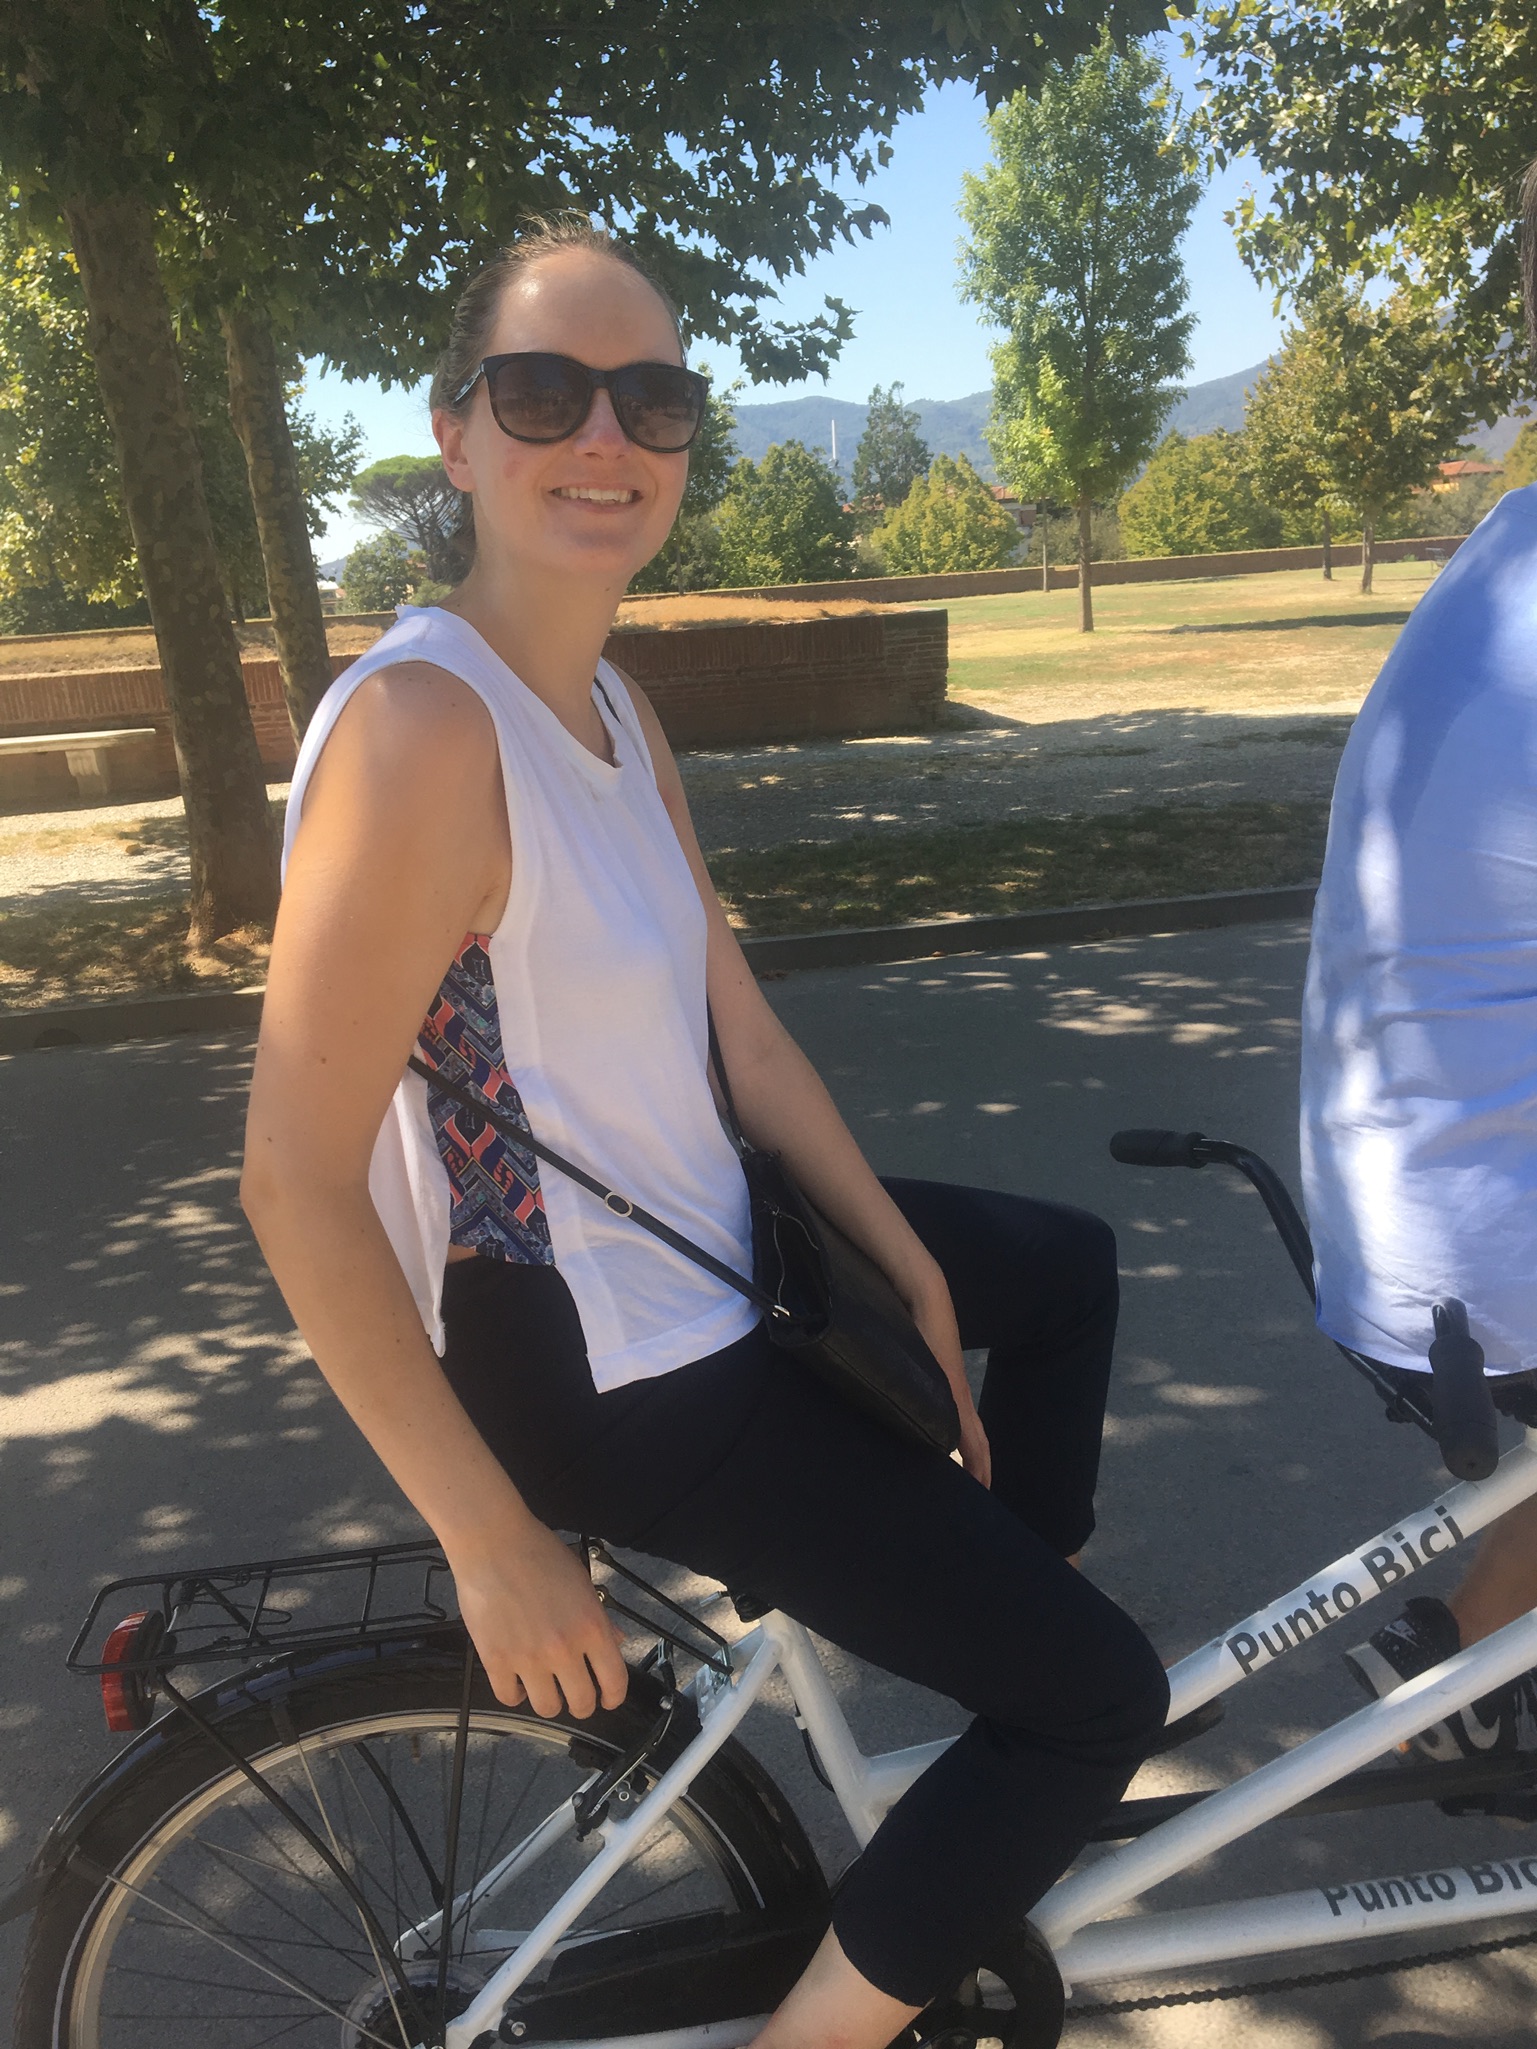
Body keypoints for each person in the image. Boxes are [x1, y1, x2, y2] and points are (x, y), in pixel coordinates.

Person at [241, 214, 1167, 2046]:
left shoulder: (608, 702)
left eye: (651, 398)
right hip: (605, 1361)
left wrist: (901, 1260)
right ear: (455, 435)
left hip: (704, 1250)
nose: (606, 435)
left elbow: (738, 1029)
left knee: (1056, 1274)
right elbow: (293, 1178)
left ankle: (991, 1633)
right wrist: (488, 1538)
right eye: (544, 391)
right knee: (1094, 1703)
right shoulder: (423, 731)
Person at [1299, 163, 1537, 1768]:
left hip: (1404, 1195)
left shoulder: (1502, 543)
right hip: (1478, 1238)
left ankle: (1459, 1658)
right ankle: (1460, 1671)